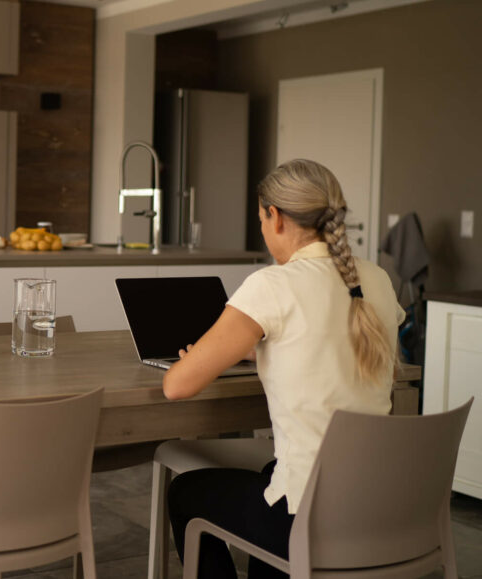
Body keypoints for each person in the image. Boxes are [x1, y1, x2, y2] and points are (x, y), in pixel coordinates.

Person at [161, 159, 404, 579]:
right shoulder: (376, 278)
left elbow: (176, 387)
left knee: (187, 492)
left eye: (260, 218)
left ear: (275, 217)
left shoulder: (273, 284)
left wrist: (201, 357)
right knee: (272, 479)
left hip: (307, 516)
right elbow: (337, 348)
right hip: (378, 508)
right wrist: (265, 353)